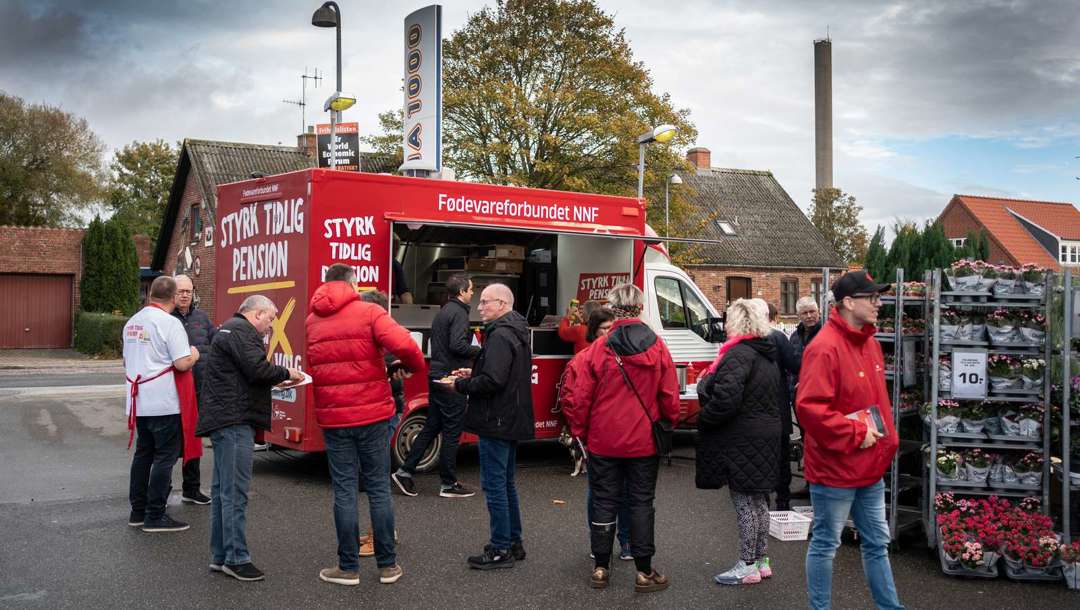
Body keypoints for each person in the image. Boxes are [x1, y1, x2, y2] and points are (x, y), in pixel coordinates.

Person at [306, 264, 427, 587]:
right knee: (377, 488)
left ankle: (347, 568)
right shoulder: (369, 312)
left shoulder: (312, 320)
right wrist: (409, 367)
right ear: (353, 284)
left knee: (344, 491)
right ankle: (388, 566)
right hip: (373, 415)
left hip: (334, 417)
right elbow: (407, 346)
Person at [797, 271, 903, 610]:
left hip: (869, 467)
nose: (879, 303)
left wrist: (887, 440)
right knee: (826, 544)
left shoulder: (870, 342)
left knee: (877, 544)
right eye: (871, 298)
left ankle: (890, 607)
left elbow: (876, 402)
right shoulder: (823, 347)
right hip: (835, 469)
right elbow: (810, 409)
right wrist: (857, 433)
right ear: (847, 302)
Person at [563, 283, 679, 592]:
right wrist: (668, 422)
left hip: (603, 438)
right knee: (641, 502)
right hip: (643, 439)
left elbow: (580, 398)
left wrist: (581, 431)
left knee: (604, 500)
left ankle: (601, 567)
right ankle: (644, 570)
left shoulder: (599, 349)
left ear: (613, 309)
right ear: (640, 308)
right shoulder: (657, 346)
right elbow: (669, 397)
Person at [195, 295, 301, 582]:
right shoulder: (243, 331)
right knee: (235, 492)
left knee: (221, 492)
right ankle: (236, 558)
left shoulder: (230, 329)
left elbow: (247, 374)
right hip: (234, 420)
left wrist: (275, 378)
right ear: (257, 313)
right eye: (269, 320)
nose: (270, 327)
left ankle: (220, 556)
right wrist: (288, 372)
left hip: (224, 418)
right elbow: (257, 369)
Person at [436, 283, 533, 570]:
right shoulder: (515, 329)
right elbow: (499, 372)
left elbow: (493, 381)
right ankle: (513, 542)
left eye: (486, 302)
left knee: (494, 486)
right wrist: (474, 370)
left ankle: (500, 548)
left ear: (502, 304)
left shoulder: (501, 335)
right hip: (509, 416)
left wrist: (461, 384)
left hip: (496, 419)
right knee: (506, 484)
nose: (479, 307)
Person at [696, 298, 782, 586]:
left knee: (744, 500)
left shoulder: (738, 355)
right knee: (759, 500)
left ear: (736, 322)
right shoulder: (766, 354)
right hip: (766, 432)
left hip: (743, 436)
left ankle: (746, 564)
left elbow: (726, 399)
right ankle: (761, 560)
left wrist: (704, 409)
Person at [123, 275, 200, 533]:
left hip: (138, 401)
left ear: (150, 294)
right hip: (164, 402)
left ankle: (138, 510)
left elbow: (128, 362)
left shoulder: (132, 321)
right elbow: (181, 363)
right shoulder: (169, 324)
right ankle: (155, 515)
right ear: (173, 295)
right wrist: (195, 354)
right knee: (164, 458)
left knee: (143, 455)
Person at [393, 272, 478, 498]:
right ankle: (448, 483)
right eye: (470, 289)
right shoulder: (459, 313)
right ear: (461, 292)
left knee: (432, 427)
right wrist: (481, 351)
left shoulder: (443, 311)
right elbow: (458, 345)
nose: (472, 293)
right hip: (451, 378)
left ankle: (405, 471)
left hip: (436, 375)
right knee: (452, 432)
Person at [557, 308, 633, 561]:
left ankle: (627, 542)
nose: (609, 333)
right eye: (604, 328)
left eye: (613, 327)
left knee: (623, 489)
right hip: (597, 436)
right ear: (594, 330)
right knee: (598, 489)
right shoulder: (584, 358)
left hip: (624, 433)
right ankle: (599, 541)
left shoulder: (628, 355)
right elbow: (571, 399)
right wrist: (582, 433)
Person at [171, 274, 215, 505]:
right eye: (180, 291)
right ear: (172, 292)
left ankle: (191, 489)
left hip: (199, 389)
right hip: (172, 391)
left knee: (194, 440)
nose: (185, 295)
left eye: (188, 291)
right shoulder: (166, 318)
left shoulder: (202, 318)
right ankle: (163, 489)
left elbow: (216, 344)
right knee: (170, 443)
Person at [766, 302, 800, 511]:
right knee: (781, 456)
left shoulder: (742, 339)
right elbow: (795, 365)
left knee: (760, 457)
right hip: (777, 405)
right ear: (775, 316)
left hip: (754, 410)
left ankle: (760, 504)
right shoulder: (778, 337)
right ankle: (782, 502)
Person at [788, 295, 822, 499]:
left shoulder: (825, 333)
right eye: (805, 313)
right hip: (799, 397)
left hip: (818, 397)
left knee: (818, 441)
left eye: (812, 311)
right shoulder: (795, 336)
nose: (809, 316)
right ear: (798, 315)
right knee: (806, 440)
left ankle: (819, 486)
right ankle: (810, 484)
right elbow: (792, 367)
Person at [391, 236, 414, 304]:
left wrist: (409, 308)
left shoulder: (395, 265)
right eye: (394, 248)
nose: (396, 252)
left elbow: (403, 291)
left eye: (397, 249)